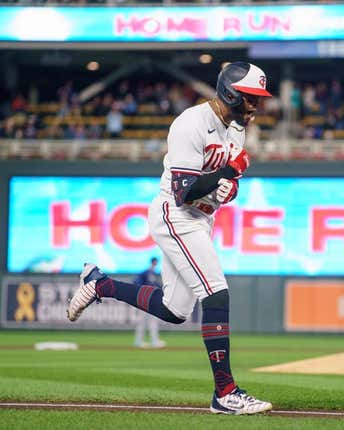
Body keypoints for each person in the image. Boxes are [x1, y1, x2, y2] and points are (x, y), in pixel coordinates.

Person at [66, 62, 273, 415]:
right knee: (216, 293)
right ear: (230, 93)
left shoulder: (236, 130)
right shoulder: (190, 123)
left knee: (175, 310)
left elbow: (222, 185)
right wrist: (228, 172)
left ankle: (100, 285)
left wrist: (228, 186)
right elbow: (183, 192)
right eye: (250, 98)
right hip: (175, 215)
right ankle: (225, 393)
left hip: (201, 218)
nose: (255, 107)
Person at [133, 257, 166, 349]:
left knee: (153, 322)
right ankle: (138, 341)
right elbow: (135, 282)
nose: (155, 264)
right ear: (152, 262)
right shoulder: (145, 273)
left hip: (152, 301)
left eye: (156, 262)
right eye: (154, 262)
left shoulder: (154, 274)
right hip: (143, 300)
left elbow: (158, 287)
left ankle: (154, 341)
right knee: (142, 322)